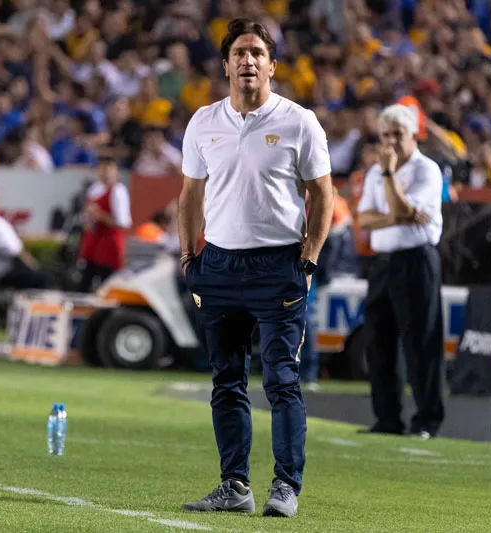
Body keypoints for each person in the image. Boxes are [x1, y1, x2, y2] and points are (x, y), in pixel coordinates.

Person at [178, 18, 333, 518]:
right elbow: (190, 194)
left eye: (256, 53)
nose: (247, 60)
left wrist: (309, 258)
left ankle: (285, 486)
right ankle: (235, 485)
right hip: (219, 264)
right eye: (239, 53)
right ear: (225, 65)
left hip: (277, 264)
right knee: (226, 379)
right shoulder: (203, 122)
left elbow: (323, 194)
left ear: (272, 66)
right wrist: (189, 257)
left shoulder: (299, 122)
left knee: (281, 380)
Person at [356, 104, 445, 439]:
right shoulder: (374, 172)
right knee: (379, 342)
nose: (391, 141)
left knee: (421, 342)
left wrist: (390, 175)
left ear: (414, 135)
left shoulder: (426, 169)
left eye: (398, 134)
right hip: (383, 262)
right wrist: (399, 215)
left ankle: (427, 420)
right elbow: (364, 219)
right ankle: (387, 418)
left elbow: (397, 208)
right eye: (386, 135)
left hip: (416, 260)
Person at [77, 154, 132, 292]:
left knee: (106, 287)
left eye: (108, 169)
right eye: (101, 169)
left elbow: (123, 224)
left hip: (109, 248)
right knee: (84, 285)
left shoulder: (118, 191)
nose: (104, 173)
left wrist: (100, 215)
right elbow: (86, 222)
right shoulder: (94, 189)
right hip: (93, 246)